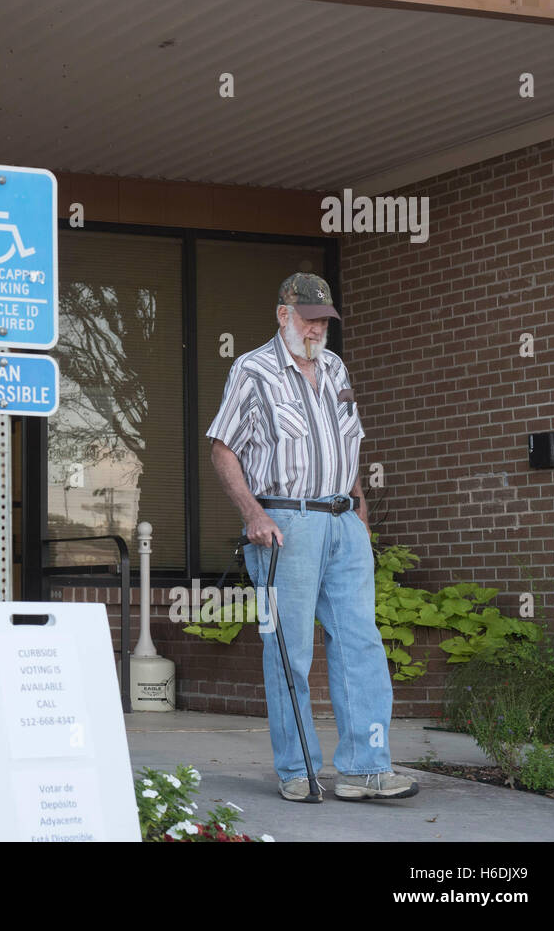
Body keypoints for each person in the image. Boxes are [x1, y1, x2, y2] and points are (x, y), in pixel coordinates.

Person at [206, 273, 418, 803]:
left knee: (361, 645)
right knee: (289, 650)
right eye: (310, 317)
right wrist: (253, 513)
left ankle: (366, 767)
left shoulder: (336, 368)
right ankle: (298, 770)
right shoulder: (252, 370)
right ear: (284, 314)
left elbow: (349, 452)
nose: (319, 327)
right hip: (286, 525)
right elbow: (222, 449)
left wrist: (361, 520)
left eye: (325, 319)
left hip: (344, 522)